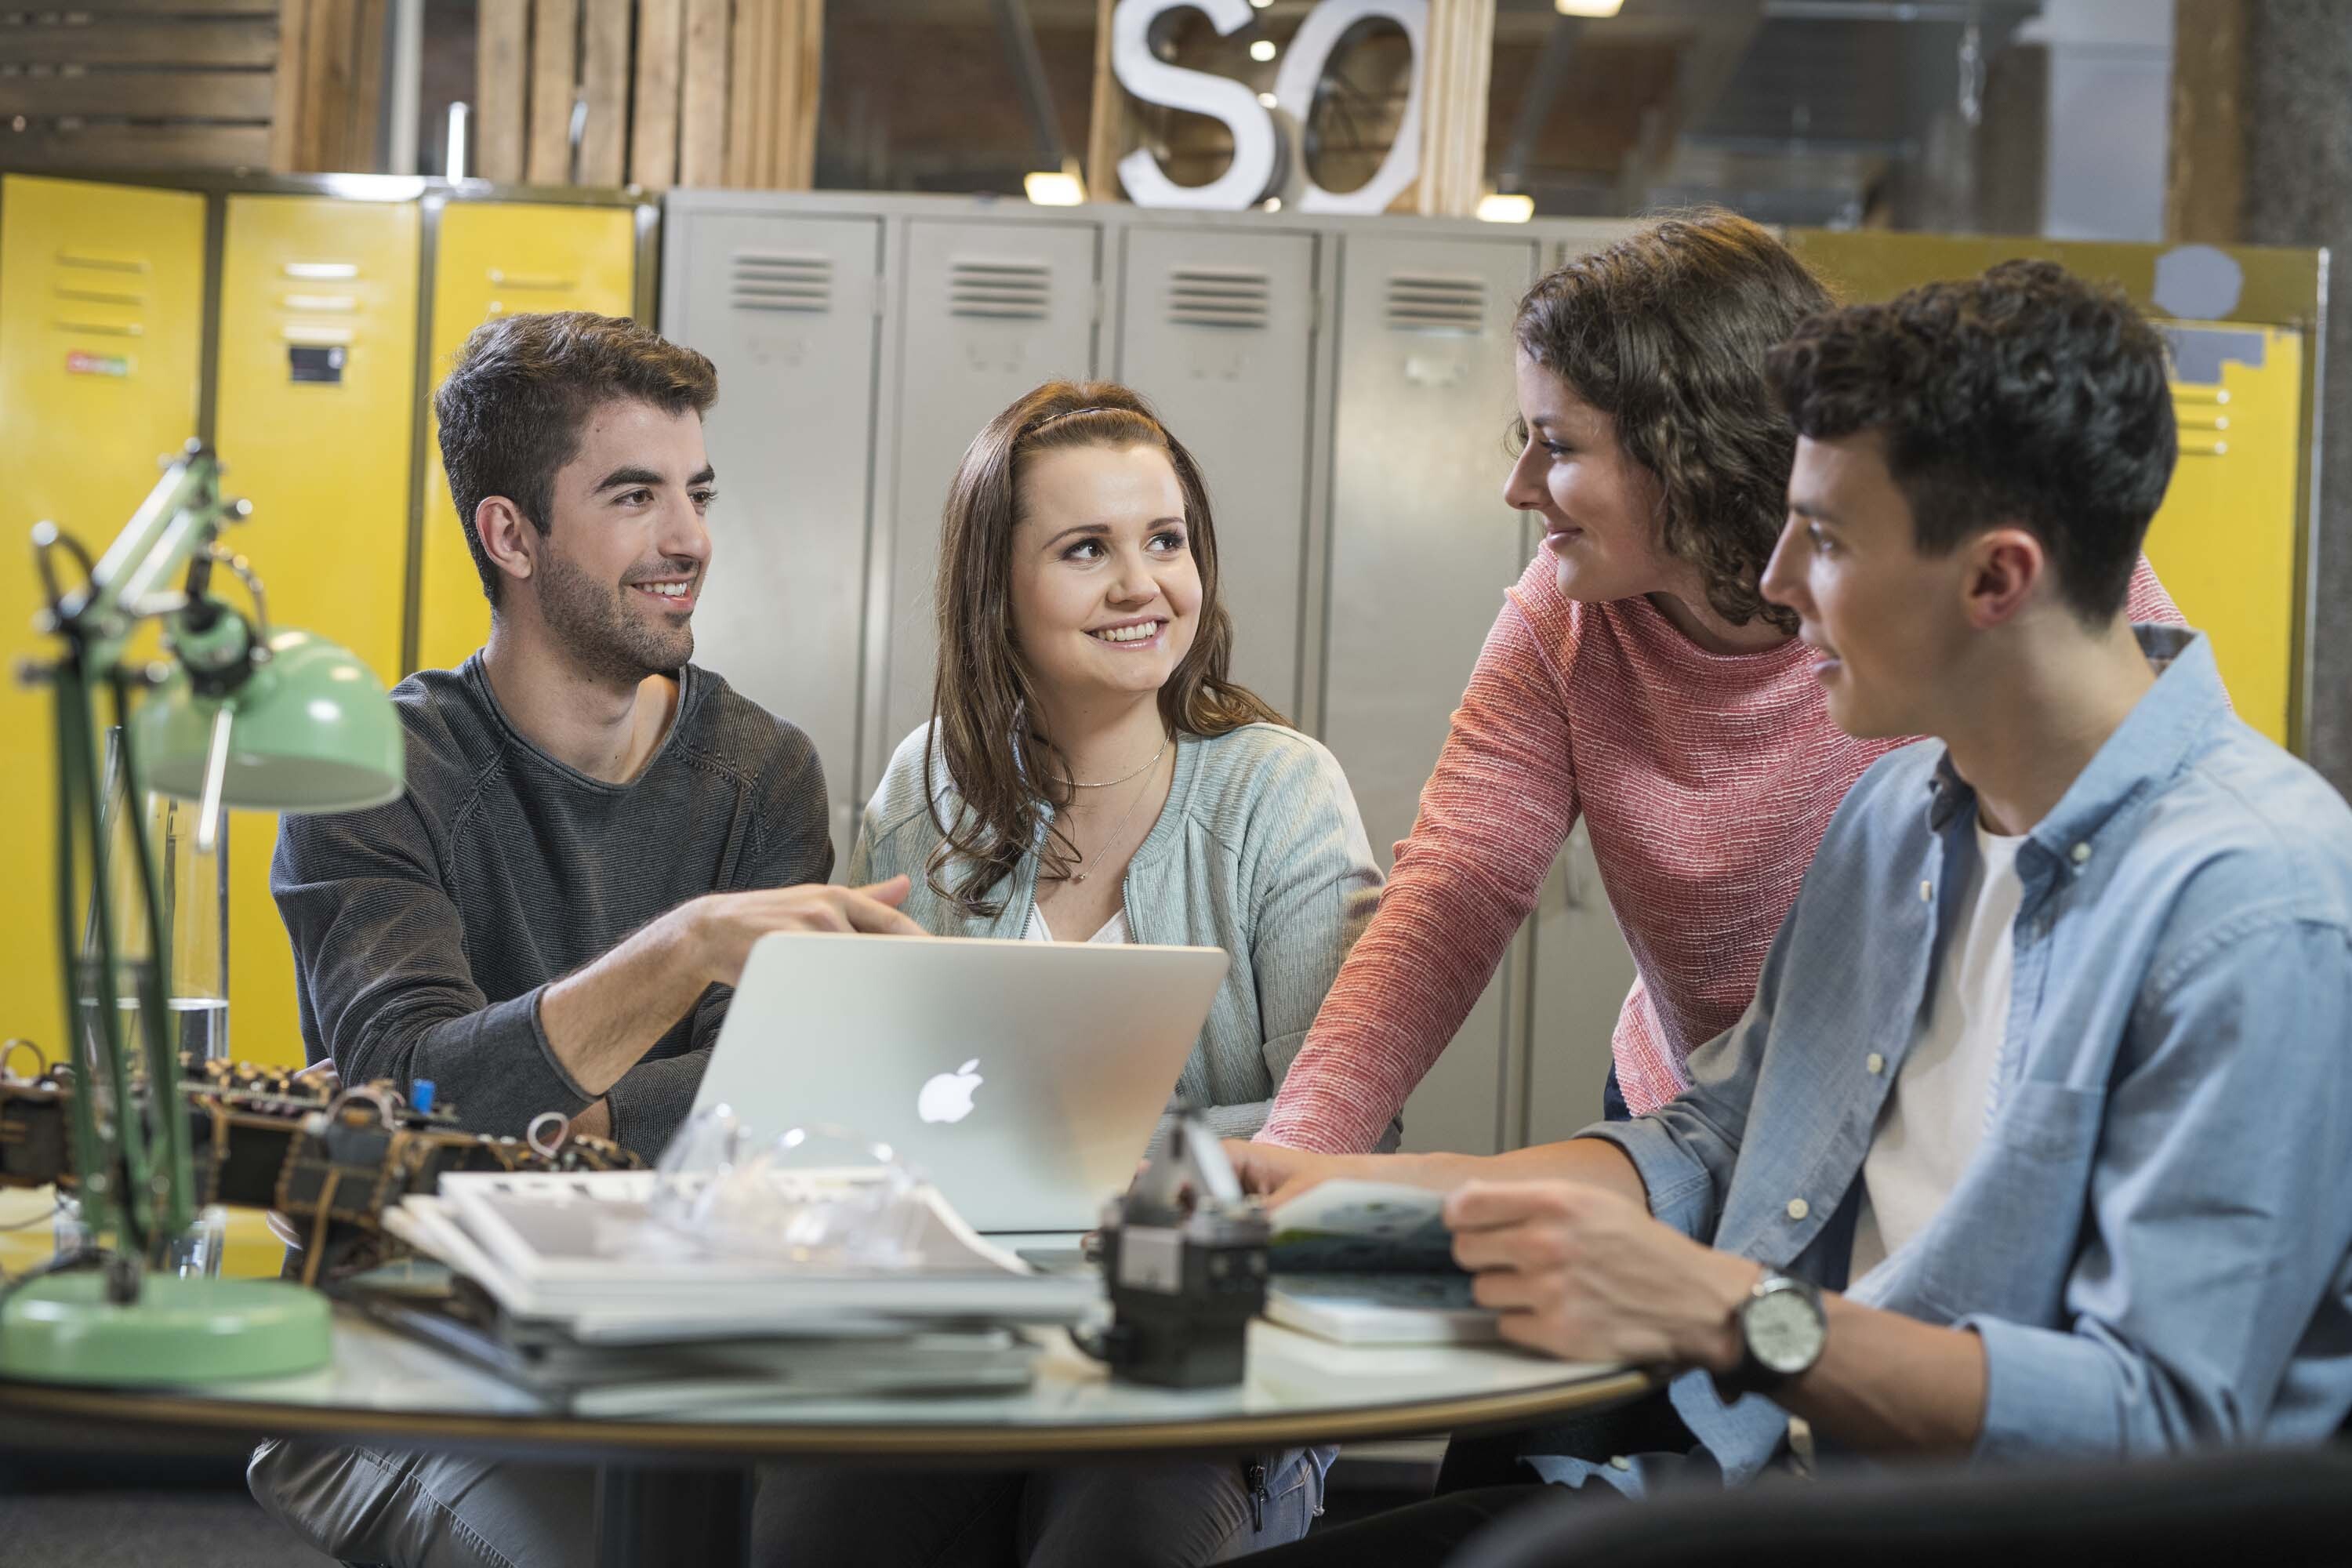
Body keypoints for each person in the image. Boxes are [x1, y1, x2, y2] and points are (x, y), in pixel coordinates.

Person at [1225, 260, 2352, 1564]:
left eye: (1824, 538)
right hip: (1793, 1458)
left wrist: (1730, 1315)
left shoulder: (2252, 911)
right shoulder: (1901, 820)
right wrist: (1385, 1198)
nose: (1772, 578)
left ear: (1996, 581)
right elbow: (1731, 1136)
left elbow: (2158, 1429)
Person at [1252, 210, 2184, 1152]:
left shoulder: (1942, 574)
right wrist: (1302, 1144)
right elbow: (1459, 881)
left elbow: (2164, 779)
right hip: (1704, 1106)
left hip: (1927, 1112)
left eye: (1560, 444)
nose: (1518, 484)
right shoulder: (1569, 615)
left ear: (1686, 452)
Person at [249, 309, 922, 1568]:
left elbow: (783, 1097)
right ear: (510, 533)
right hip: (414, 1356)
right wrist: (689, 952)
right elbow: (410, 1088)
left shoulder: (763, 771)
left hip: (695, 1342)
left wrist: (534, 1117)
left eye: (697, 492)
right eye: (633, 495)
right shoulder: (368, 769)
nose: (690, 541)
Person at [753, 381, 1384, 1565]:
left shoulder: (1278, 792)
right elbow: (869, 1112)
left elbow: (1344, 1127)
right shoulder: (926, 784)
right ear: (995, 586)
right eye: (1086, 548)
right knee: (813, 1521)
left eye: (1166, 542)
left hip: (1181, 1351)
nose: (1143, 584)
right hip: (949, 1343)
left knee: (1121, 1526)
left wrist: (1068, 1166)